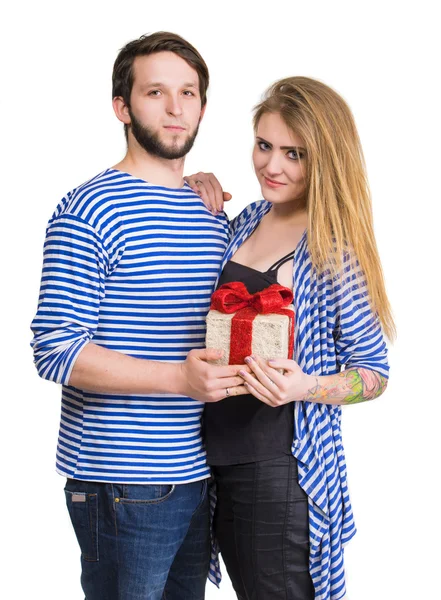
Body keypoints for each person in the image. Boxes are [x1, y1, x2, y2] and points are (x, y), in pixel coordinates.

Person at [30, 32, 249, 600]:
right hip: (121, 478)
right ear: (122, 107)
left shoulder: (210, 213)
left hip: (198, 473)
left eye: (189, 92)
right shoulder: (89, 208)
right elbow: (56, 349)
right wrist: (177, 377)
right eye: (155, 92)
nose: (176, 108)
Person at [186, 76, 394, 600]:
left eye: (293, 154)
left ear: (325, 159)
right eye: (264, 145)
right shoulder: (249, 219)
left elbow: (374, 374)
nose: (272, 166)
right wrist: (193, 189)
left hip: (276, 470)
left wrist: (307, 387)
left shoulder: (332, 251)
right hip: (207, 461)